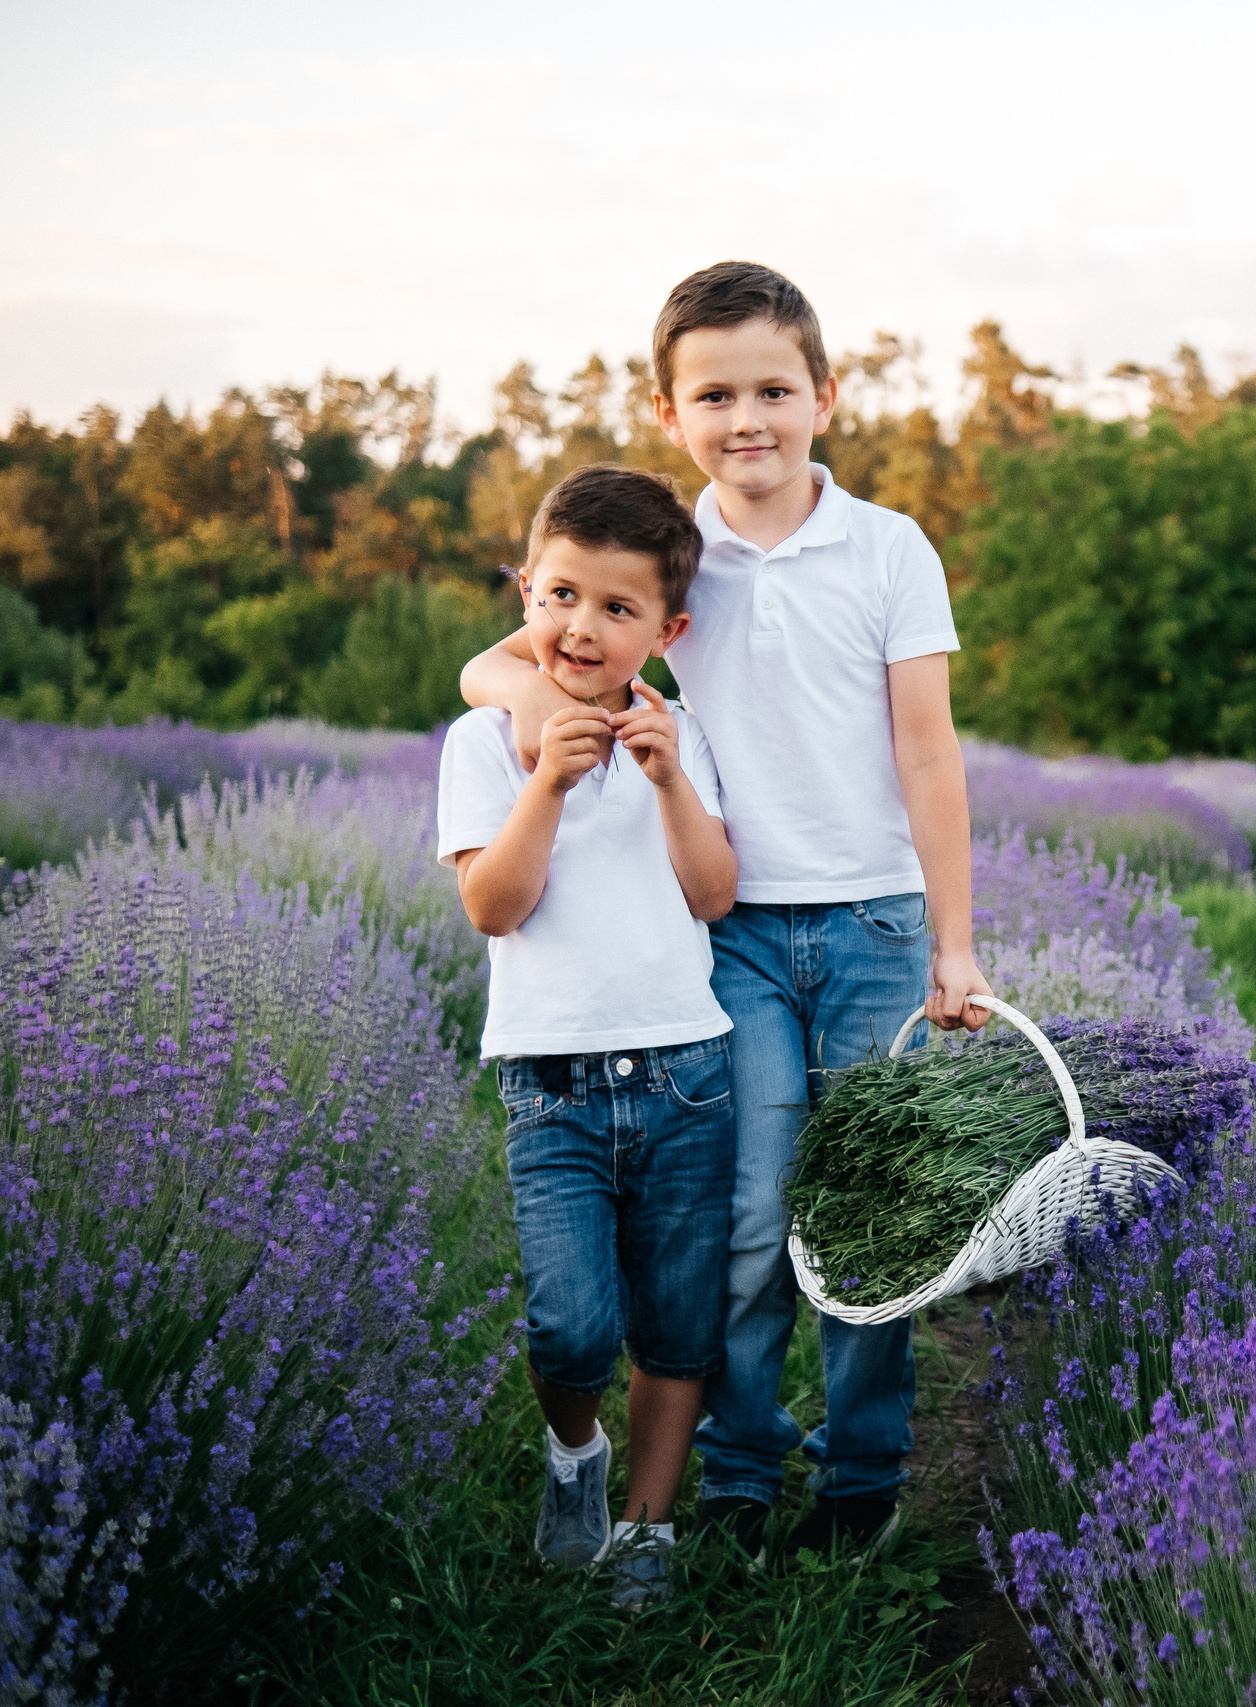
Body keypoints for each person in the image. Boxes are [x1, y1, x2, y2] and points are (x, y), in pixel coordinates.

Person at [459, 261, 993, 1566]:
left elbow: (929, 752)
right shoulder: (671, 551)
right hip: (736, 935)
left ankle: (862, 1477)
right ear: (669, 407)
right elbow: (505, 651)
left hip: (871, 924)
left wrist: (954, 937)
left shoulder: (887, 547)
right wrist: (525, 703)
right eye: (715, 393)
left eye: (772, 387)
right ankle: (744, 1476)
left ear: (825, 394)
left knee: (870, 1215)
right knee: (752, 1219)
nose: (746, 416)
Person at [437, 462, 740, 1609]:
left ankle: (647, 1530)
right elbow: (492, 907)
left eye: (617, 610)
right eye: (561, 595)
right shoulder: (485, 742)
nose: (582, 627)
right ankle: (576, 1454)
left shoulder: (682, 734)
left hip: (685, 1072)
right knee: (569, 1326)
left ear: (664, 631)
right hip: (551, 1081)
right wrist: (547, 790)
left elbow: (712, 893)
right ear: (525, 591)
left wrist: (669, 784)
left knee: (676, 1322)